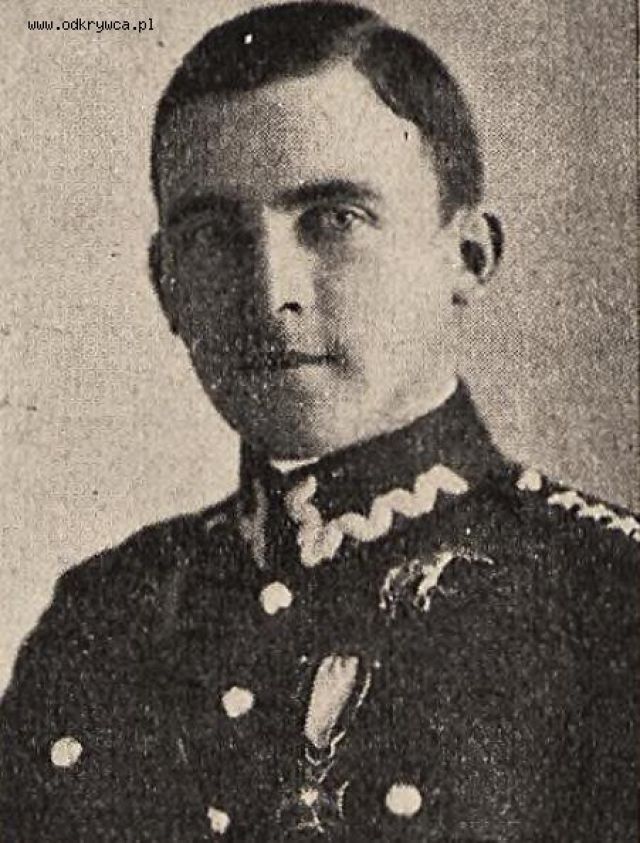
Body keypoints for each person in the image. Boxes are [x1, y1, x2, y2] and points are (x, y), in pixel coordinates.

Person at [1, 2, 638, 840]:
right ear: (165, 286)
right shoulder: (101, 620)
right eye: (212, 235)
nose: (272, 295)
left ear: (467, 256)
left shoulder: (609, 600)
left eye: (336, 219)